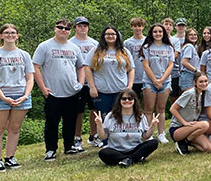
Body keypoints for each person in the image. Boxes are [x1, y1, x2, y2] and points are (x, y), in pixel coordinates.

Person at [33, 18, 85, 160]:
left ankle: (69, 146)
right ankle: (51, 150)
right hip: (53, 93)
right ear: (55, 29)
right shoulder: (45, 46)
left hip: (72, 92)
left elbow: (81, 67)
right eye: (60, 27)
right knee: (52, 123)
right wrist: (43, 88)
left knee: (70, 121)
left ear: (70, 31)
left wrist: (80, 83)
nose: (63, 30)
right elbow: (35, 66)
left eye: (67, 28)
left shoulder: (74, 47)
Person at [0, 23, 34, 172]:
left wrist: (26, 96)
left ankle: (10, 158)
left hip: (21, 96)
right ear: (1, 35)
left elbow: (30, 78)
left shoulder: (24, 55)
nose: (10, 35)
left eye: (13, 32)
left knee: (14, 128)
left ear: (17, 36)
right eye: (6, 32)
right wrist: (4, 98)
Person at [95, 89, 159, 167]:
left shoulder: (140, 116)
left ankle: (126, 160)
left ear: (134, 100)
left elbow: (146, 136)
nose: (127, 101)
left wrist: (152, 125)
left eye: (130, 98)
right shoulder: (111, 116)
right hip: (116, 150)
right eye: (124, 99)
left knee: (153, 142)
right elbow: (103, 136)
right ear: (119, 100)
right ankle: (134, 159)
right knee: (103, 153)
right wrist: (99, 125)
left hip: (135, 149)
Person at [85, 26, 135, 117]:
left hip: (120, 90)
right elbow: (87, 67)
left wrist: (129, 86)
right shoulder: (96, 50)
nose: (110, 36)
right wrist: (92, 87)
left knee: (118, 118)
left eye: (113, 34)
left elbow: (131, 69)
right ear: (103, 36)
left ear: (117, 36)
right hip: (101, 90)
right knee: (103, 118)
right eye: (107, 34)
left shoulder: (124, 51)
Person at [138, 23, 174, 144]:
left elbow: (170, 65)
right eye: (155, 32)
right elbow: (145, 65)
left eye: (160, 32)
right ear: (151, 33)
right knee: (148, 109)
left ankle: (161, 133)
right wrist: (155, 81)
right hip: (149, 82)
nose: (158, 34)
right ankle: (149, 133)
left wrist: (162, 80)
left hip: (165, 81)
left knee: (161, 109)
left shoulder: (169, 47)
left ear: (163, 33)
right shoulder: (147, 47)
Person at [69, 16, 98, 151]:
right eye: (80, 25)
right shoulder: (70, 43)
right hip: (77, 83)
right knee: (77, 111)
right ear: (75, 28)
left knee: (94, 110)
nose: (83, 28)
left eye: (85, 25)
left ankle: (94, 135)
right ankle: (77, 137)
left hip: (93, 82)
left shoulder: (94, 43)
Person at [169, 71, 211, 155]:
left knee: (208, 148)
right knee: (205, 125)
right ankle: (182, 142)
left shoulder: (202, 94)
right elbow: (173, 109)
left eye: (206, 81)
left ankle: (186, 141)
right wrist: (184, 123)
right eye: (201, 81)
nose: (204, 84)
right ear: (194, 82)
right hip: (177, 128)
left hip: (191, 128)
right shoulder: (190, 93)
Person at [123, 17, 146, 101]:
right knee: (133, 100)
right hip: (132, 77)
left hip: (145, 76)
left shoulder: (147, 41)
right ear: (131, 27)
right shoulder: (127, 42)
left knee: (146, 102)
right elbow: (125, 60)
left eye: (139, 26)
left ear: (143, 27)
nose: (137, 28)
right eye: (135, 26)